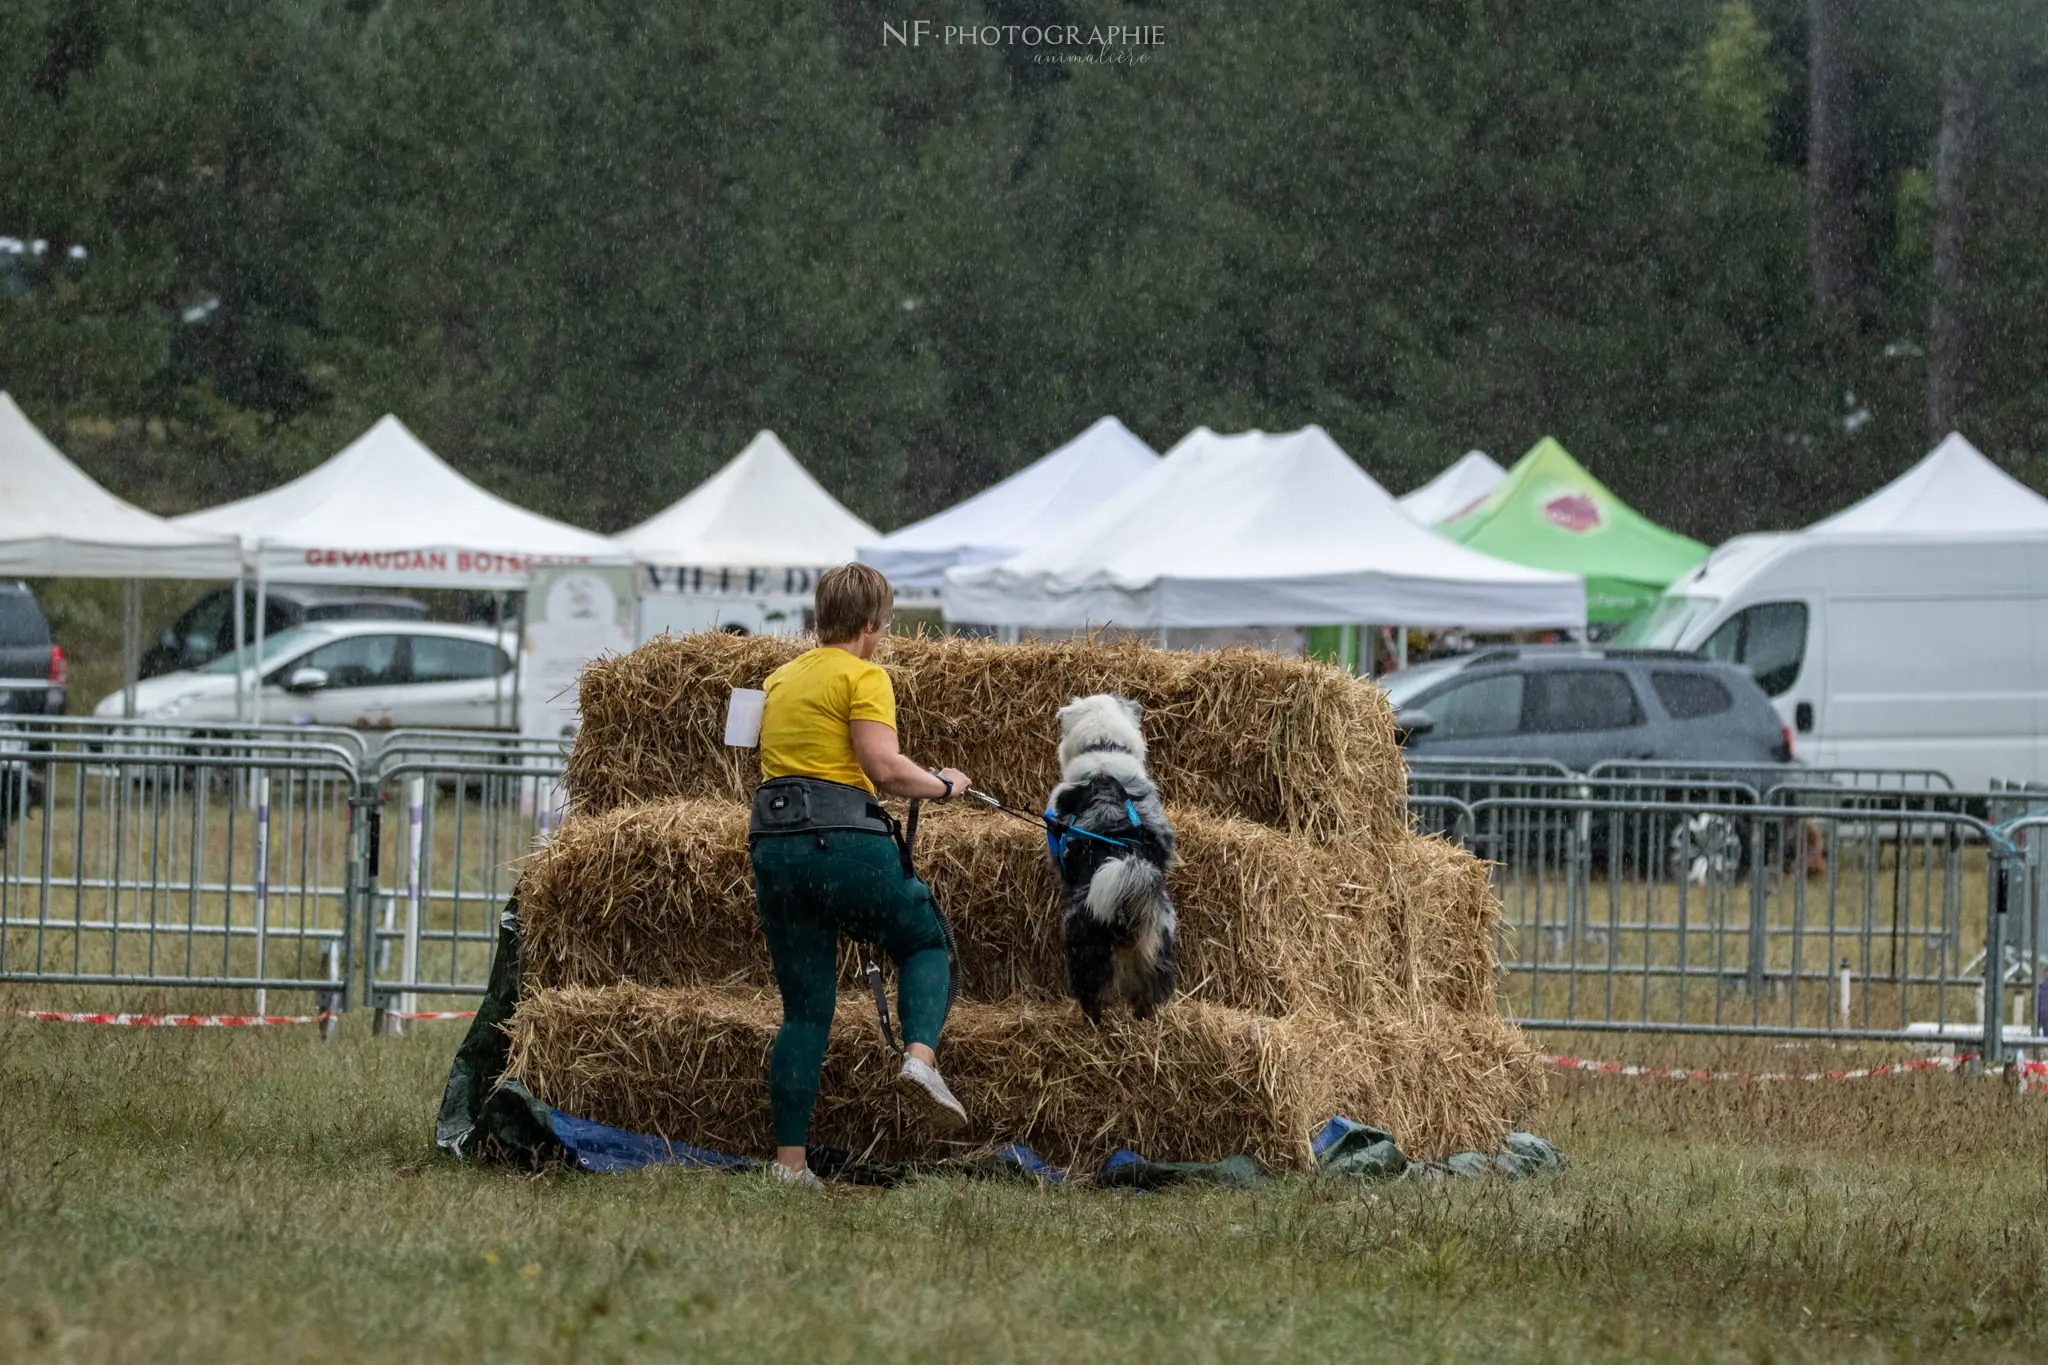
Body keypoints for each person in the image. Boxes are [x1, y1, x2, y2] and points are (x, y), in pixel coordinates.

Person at [748, 562, 972, 1190]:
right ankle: (921, 1058)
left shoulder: (778, 678)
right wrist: (945, 785)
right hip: (840, 841)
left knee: (805, 1012)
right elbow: (884, 768)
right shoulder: (865, 674)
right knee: (922, 939)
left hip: (773, 845)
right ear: (872, 624)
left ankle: (790, 1166)